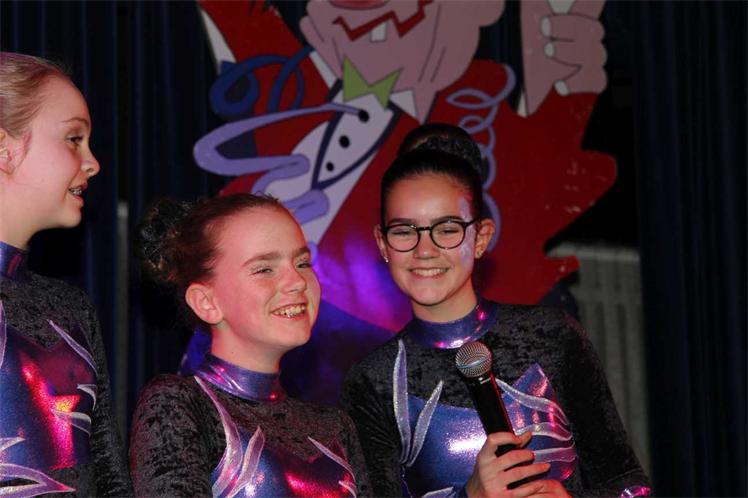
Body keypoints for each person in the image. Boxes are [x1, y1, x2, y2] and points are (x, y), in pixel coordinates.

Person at [341, 144, 651, 497]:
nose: (424, 250)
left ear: (481, 238)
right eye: (404, 231)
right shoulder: (373, 380)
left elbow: (628, 482)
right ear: (382, 243)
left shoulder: (551, 336)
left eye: (447, 229)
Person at [129, 194, 372, 497]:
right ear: (206, 302)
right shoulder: (180, 404)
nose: (297, 281)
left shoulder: (334, 426)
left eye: (302, 262)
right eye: (264, 269)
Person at [0, 52, 131, 496]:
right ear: (4, 148)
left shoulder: (70, 308)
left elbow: (109, 473)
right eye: (74, 139)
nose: (92, 163)